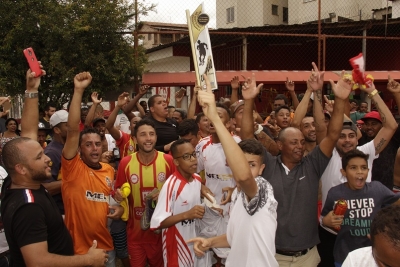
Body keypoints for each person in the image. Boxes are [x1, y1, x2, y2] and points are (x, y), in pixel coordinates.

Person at [240, 63, 351, 266]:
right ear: (280, 145)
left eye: (301, 142)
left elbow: (333, 134)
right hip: (273, 255)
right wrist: (248, 101)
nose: (300, 146)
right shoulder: (269, 165)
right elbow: (247, 135)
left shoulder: (312, 164)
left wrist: (341, 99)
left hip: (308, 256)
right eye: (294, 142)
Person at [1, 66, 107, 266]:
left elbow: (29, 133)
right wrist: (87, 260)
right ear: (21, 169)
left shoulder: (16, 182)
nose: (48, 158)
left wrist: (31, 90)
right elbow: (37, 261)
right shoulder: (28, 207)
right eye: (40, 157)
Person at [187, 75, 279, 267]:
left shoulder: (262, 188)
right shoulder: (237, 194)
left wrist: (215, 118)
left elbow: (244, 176)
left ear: (262, 169)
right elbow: (234, 237)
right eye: (240, 162)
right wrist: (209, 242)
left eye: (251, 164)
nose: (243, 168)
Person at [318, 78, 398, 266]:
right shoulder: (327, 155)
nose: (347, 140)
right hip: (333, 235)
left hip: (366, 238)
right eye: (342, 136)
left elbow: (391, 126)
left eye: (352, 136)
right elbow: (325, 130)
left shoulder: (366, 152)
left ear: (358, 137)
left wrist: (373, 92)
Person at [61, 72, 123, 266]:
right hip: (78, 250)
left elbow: (111, 201)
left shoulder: (108, 170)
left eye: (98, 143)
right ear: (79, 149)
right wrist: (78, 90)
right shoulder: (72, 168)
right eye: (88, 144)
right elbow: (72, 131)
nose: (95, 148)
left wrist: (119, 208)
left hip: (106, 247)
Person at [321, 149, 400, 266]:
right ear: (343, 172)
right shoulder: (335, 193)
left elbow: (396, 203)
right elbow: (324, 219)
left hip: (373, 256)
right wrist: (325, 221)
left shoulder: (377, 188)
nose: (359, 172)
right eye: (353, 168)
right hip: (344, 255)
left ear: (368, 170)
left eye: (363, 168)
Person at [114, 119, 176, 267]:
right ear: (135, 139)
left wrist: (163, 196)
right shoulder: (125, 163)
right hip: (135, 235)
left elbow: (177, 193)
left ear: (156, 137)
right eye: (143, 134)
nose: (148, 138)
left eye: (152, 134)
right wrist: (118, 197)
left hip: (161, 234)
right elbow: (120, 192)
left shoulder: (168, 161)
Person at [150, 139, 204, 267]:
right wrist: (187, 215)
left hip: (194, 242)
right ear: (176, 162)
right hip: (176, 247)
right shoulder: (170, 186)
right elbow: (157, 223)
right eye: (186, 156)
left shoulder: (197, 179)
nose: (192, 159)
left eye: (193, 154)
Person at [43, 110, 69, 215]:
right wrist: (74, 181)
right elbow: (45, 187)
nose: (72, 128)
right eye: (67, 125)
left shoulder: (69, 148)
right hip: (60, 213)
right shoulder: (51, 153)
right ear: (57, 130)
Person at [106, 92, 142, 158]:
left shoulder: (147, 140)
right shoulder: (125, 138)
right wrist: (118, 106)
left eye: (139, 123)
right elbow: (109, 126)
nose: (137, 125)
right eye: (134, 123)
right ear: (129, 127)